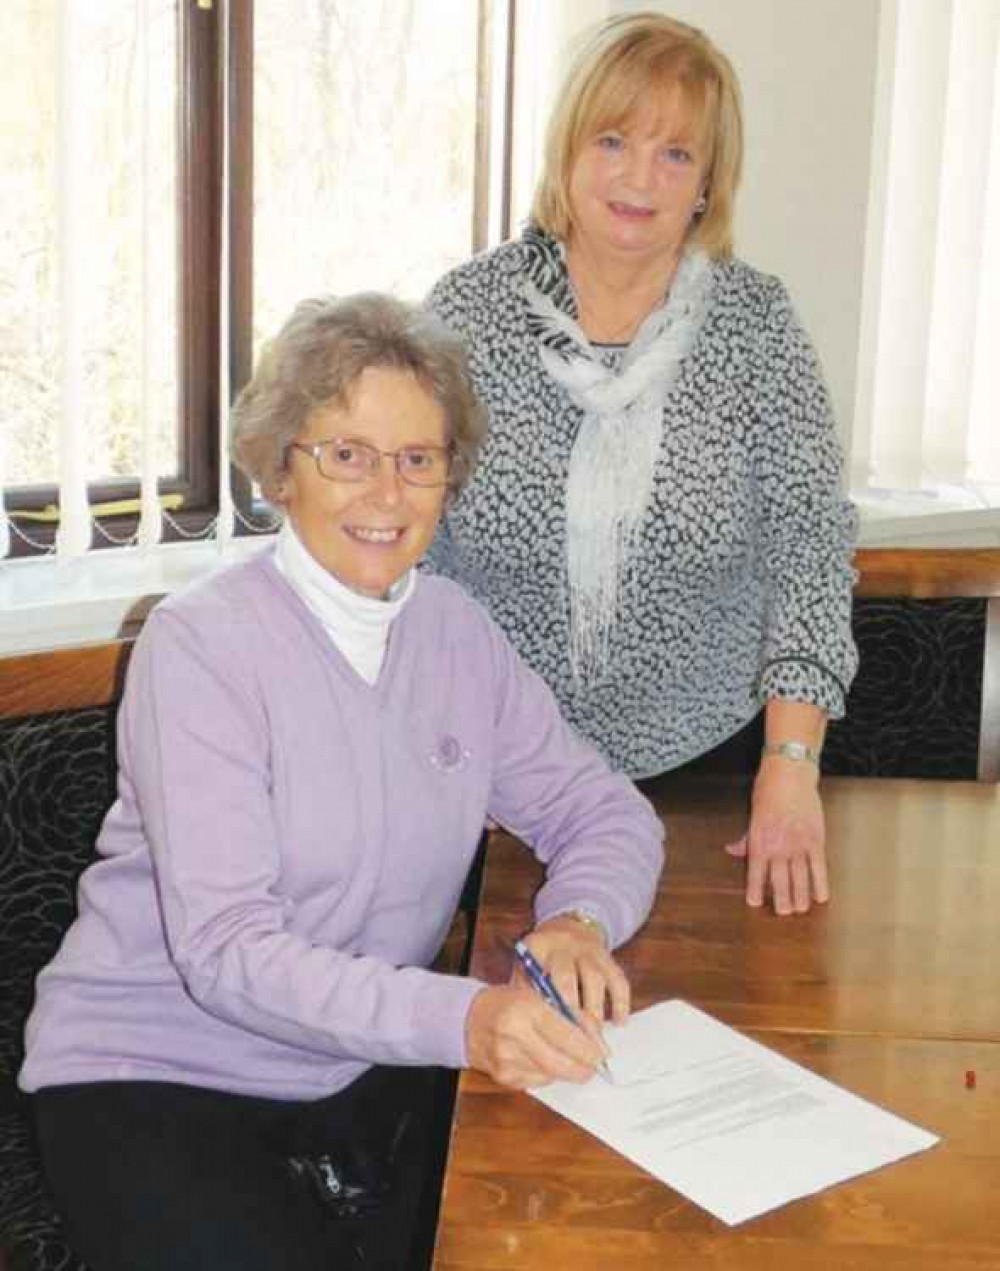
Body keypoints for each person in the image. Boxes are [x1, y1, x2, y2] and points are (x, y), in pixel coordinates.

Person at [19, 294, 664, 1271]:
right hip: (154, 1070)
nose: (388, 493)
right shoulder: (200, 646)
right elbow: (229, 952)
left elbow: (603, 808)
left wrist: (579, 917)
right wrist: (465, 1018)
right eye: (347, 454)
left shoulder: (456, 635)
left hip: (361, 1065)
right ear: (283, 465)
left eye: (419, 458)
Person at [426, 11, 858, 919]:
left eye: (675, 154)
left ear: (708, 184)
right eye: (613, 138)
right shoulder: (466, 315)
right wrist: (458, 751)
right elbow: (413, 555)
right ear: (568, 150)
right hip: (498, 779)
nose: (638, 176)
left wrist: (790, 769)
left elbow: (810, 550)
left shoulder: (757, 328)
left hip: (714, 777)